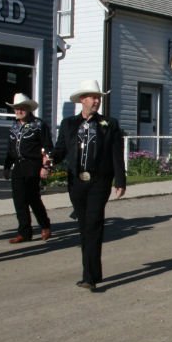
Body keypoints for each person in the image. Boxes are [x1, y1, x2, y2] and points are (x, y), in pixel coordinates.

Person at [48, 79, 126, 291]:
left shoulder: (109, 124)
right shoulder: (69, 124)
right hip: (76, 182)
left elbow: (116, 154)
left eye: (99, 97)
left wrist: (120, 179)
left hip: (99, 181)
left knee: (93, 224)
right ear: (82, 100)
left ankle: (89, 277)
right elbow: (61, 149)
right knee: (84, 227)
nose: (97, 101)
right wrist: (50, 161)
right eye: (93, 97)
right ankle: (93, 272)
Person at [3, 93, 53, 244]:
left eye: (22, 108)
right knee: (19, 200)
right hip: (18, 166)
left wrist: (46, 166)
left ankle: (45, 225)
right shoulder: (13, 126)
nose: (19, 111)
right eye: (17, 108)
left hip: (33, 165)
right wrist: (6, 166)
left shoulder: (39, 124)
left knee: (32, 198)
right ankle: (24, 232)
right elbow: (10, 149)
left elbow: (47, 147)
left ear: (29, 109)